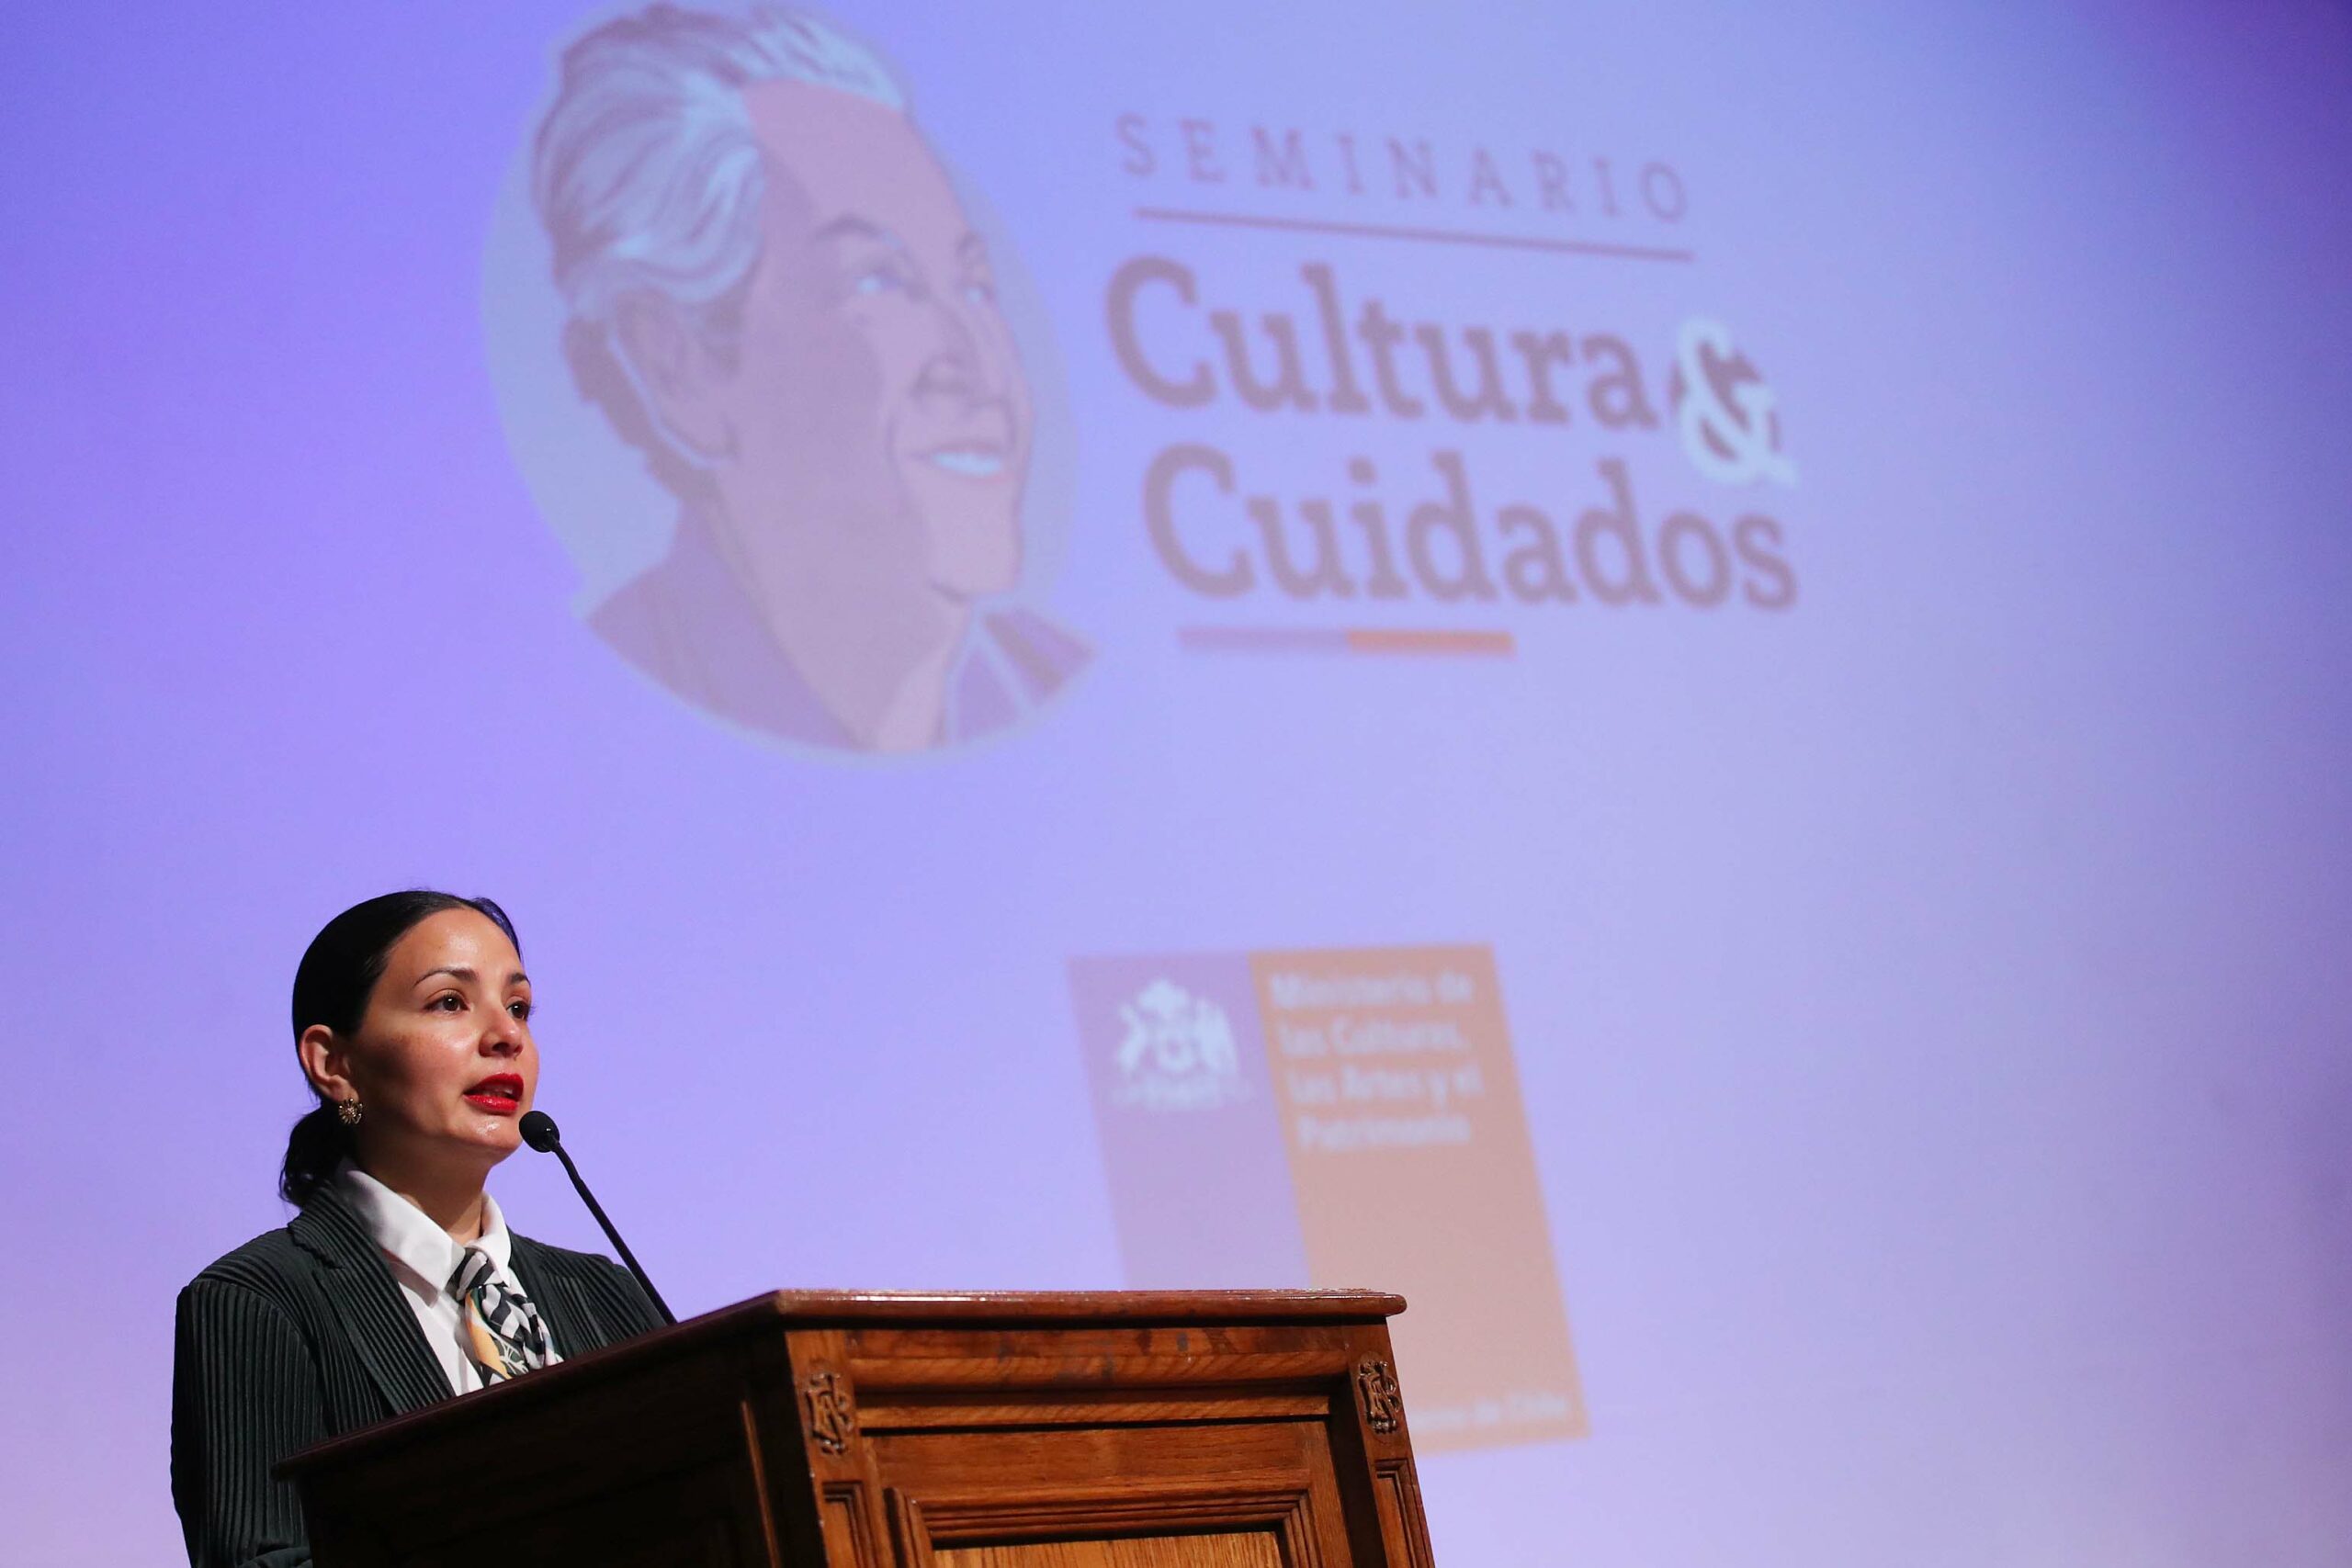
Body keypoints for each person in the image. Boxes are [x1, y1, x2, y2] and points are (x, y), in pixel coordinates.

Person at [531, 5, 1090, 753]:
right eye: (880, 282)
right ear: (678, 367)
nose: (982, 369)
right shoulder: (570, 728)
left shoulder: (1048, 684)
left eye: (977, 286)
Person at [171, 892, 665, 1568]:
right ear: (333, 1063)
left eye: (518, 1007)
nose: (507, 1036)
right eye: (450, 1003)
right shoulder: (259, 1300)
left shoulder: (606, 1295)